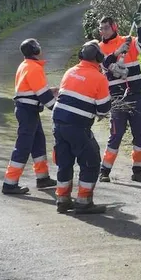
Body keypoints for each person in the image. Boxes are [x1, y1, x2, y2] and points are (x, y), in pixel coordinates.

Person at [97, 14, 141, 183]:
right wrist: (117, 52)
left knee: (139, 135)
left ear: (114, 27)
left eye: (106, 28)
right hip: (117, 98)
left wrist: (140, 26)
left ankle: (138, 171)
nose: (103, 31)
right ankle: (104, 171)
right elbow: (104, 66)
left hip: (136, 95)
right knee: (115, 135)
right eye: (101, 28)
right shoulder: (99, 47)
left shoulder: (129, 41)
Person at [51, 40, 111, 214]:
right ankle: (83, 201)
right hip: (78, 126)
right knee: (91, 162)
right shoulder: (99, 78)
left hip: (58, 123)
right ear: (98, 58)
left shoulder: (70, 72)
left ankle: (62, 200)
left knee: (64, 162)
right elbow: (104, 108)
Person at [2, 38, 58, 195]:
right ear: (35, 50)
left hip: (28, 110)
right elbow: (42, 95)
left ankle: (43, 178)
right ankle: (10, 183)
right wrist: (57, 108)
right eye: (39, 46)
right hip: (28, 111)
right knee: (23, 146)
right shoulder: (34, 68)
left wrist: (50, 90)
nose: (41, 48)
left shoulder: (25, 65)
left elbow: (33, 89)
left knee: (38, 142)